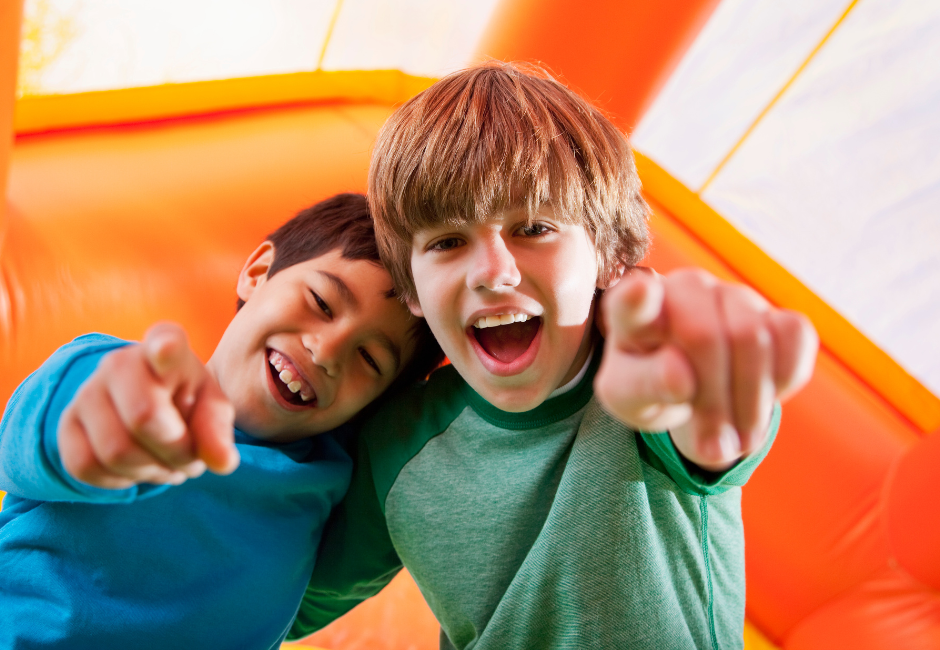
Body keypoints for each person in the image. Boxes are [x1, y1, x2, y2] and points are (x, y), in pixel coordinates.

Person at [286, 65, 818, 649]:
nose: (493, 272)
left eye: (533, 227)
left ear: (610, 254)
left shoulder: (640, 368)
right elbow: (287, 604)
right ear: (411, 288)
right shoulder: (396, 445)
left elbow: (703, 411)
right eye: (447, 242)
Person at [0, 193, 442, 650]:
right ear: (256, 273)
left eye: (368, 359)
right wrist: (106, 427)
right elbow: (28, 436)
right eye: (321, 303)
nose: (326, 352)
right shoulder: (134, 380)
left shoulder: (330, 484)